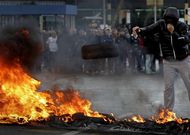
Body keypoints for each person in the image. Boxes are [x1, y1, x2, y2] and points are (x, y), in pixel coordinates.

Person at [133, 7, 190, 110]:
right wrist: (139, 30)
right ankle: (168, 111)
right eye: (167, 19)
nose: (169, 21)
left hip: (183, 60)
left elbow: (185, 40)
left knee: (189, 84)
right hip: (168, 61)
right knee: (168, 87)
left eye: (172, 19)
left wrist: (173, 33)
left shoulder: (182, 26)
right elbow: (148, 30)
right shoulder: (160, 24)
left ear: (176, 19)